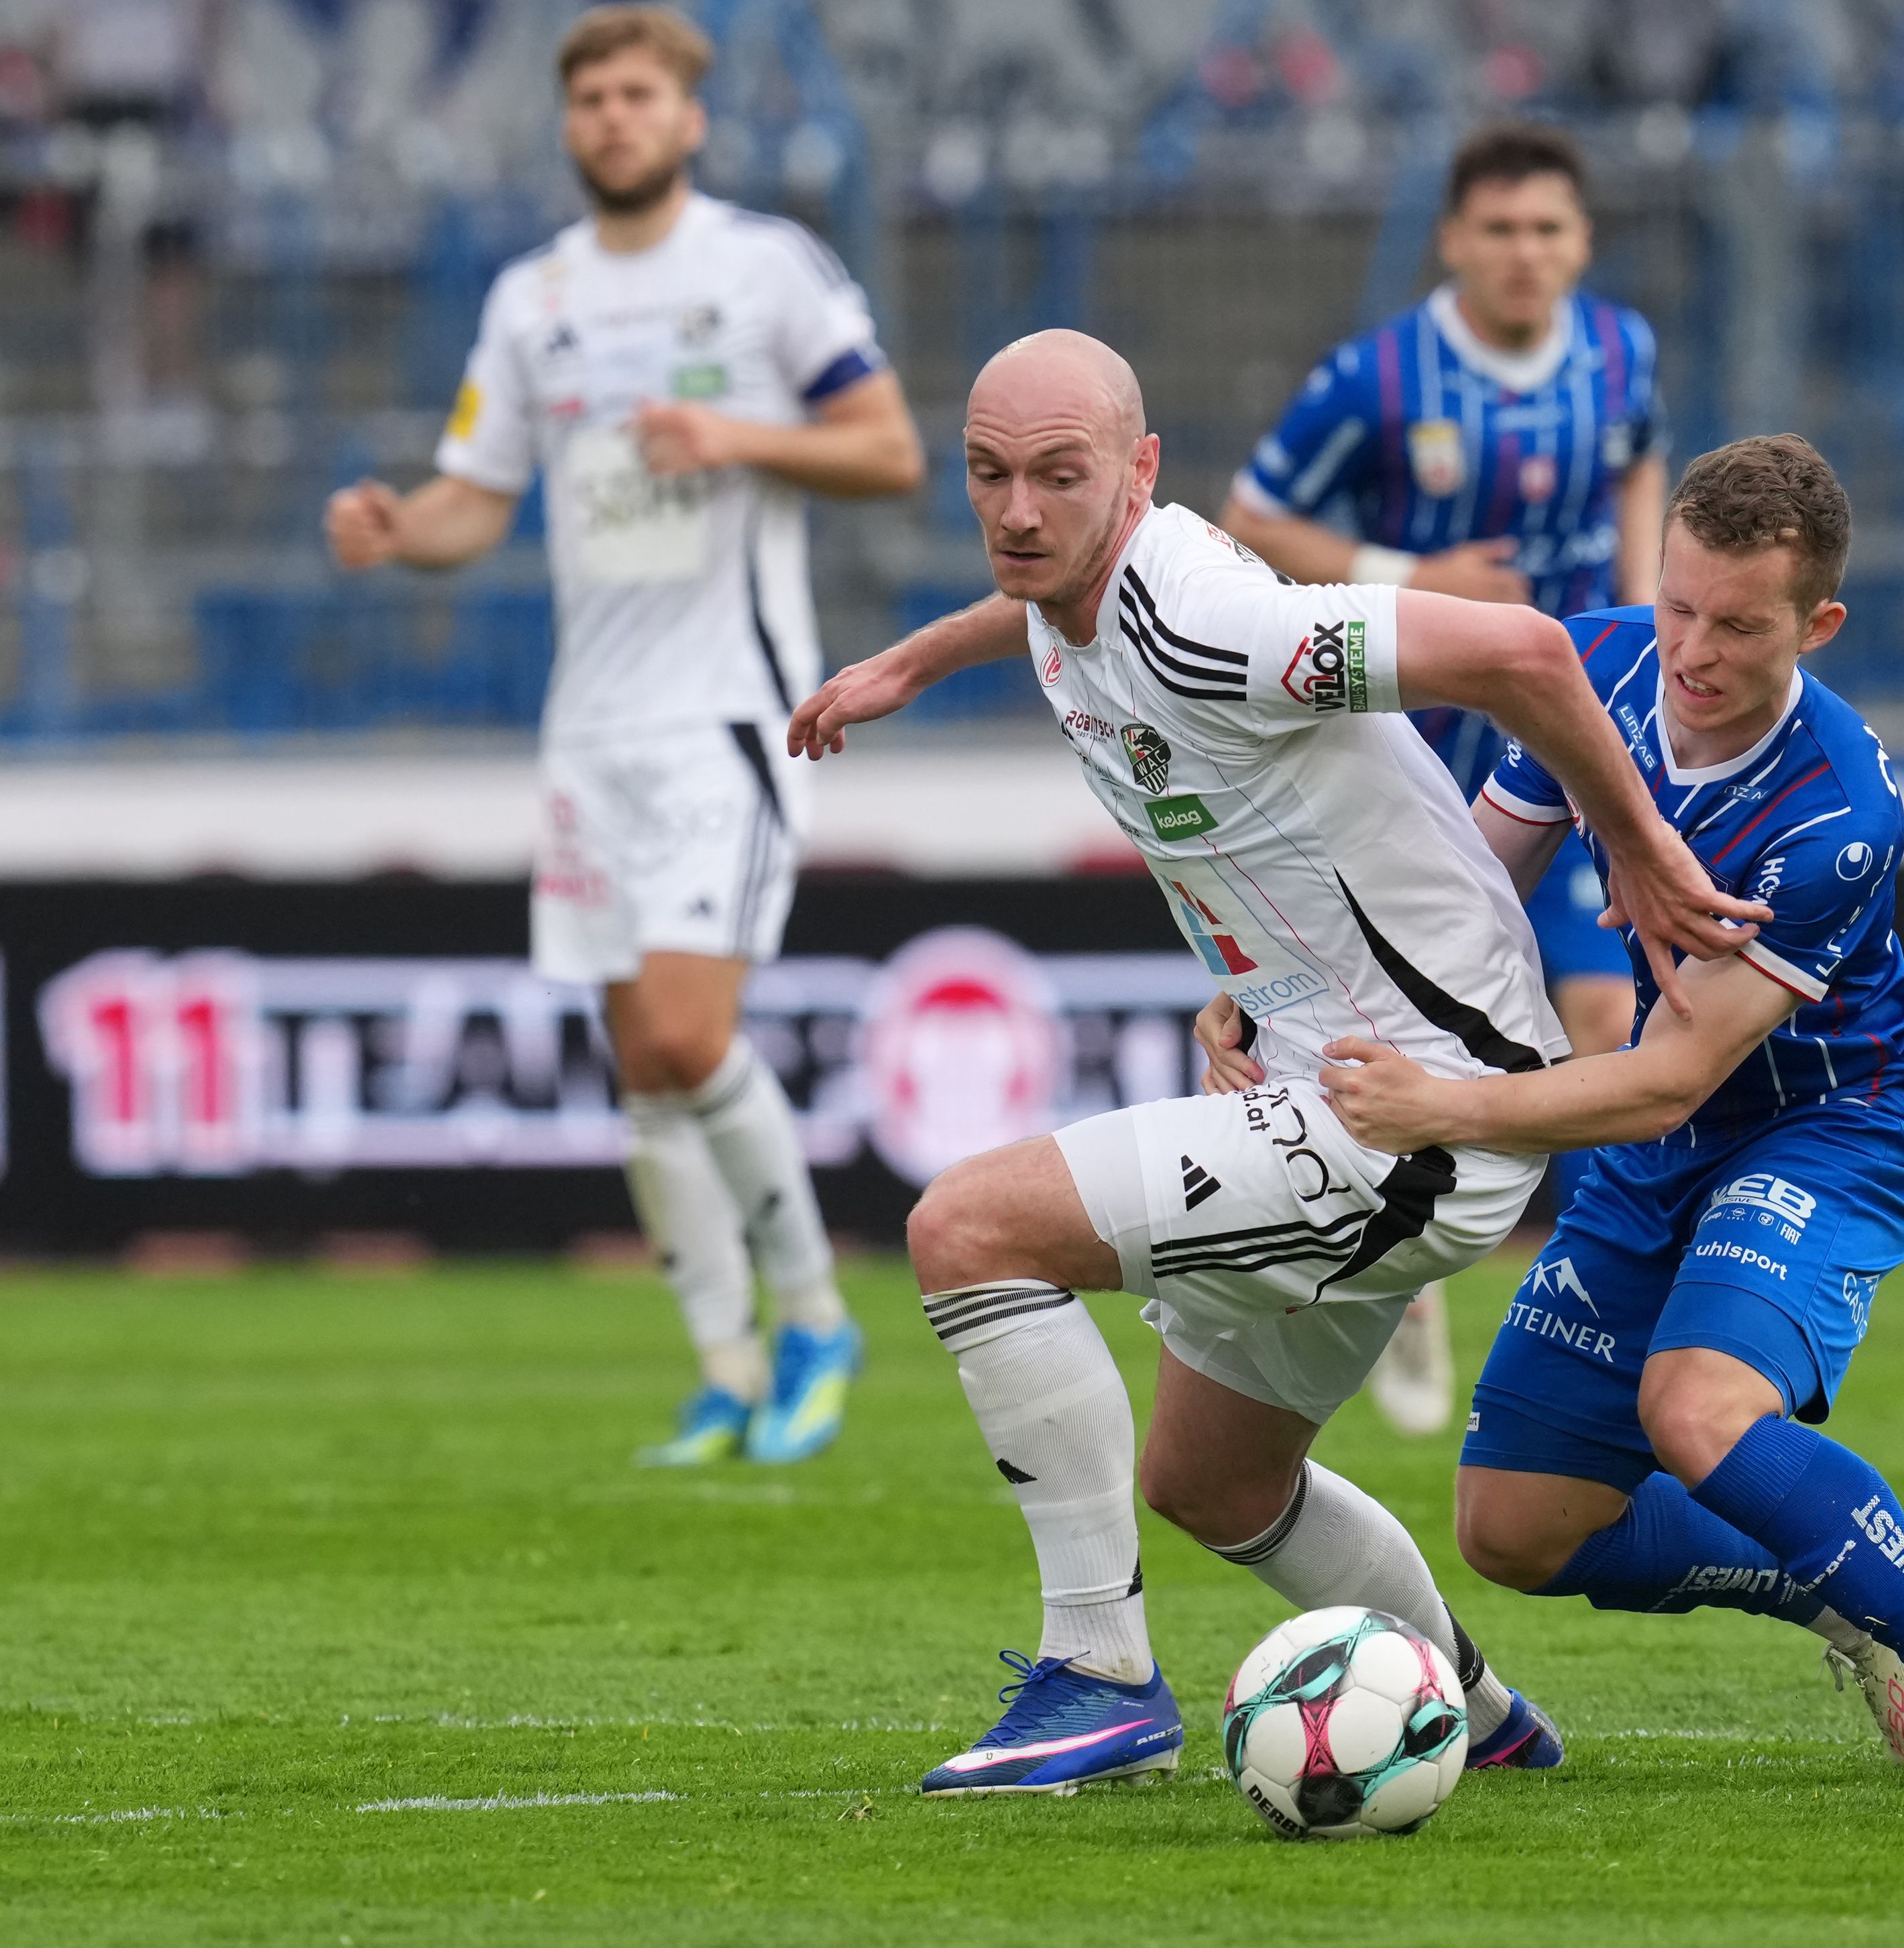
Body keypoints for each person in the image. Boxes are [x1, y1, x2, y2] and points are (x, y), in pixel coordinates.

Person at [787, 328, 1767, 1796]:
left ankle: (1098, 1679)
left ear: (1140, 473)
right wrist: (909, 662)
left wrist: (1633, 843)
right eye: (989, 476)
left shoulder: (1205, 618)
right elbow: (1038, 608)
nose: (1017, 512)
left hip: (1415, 1109)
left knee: (966, 1229)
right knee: (1213, 1483)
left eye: (1060, 476)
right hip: (1326, 1069)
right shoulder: (1075, 582)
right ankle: (1474, 1712)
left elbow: (1522, 651)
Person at [1290, 435, 1904, 1792]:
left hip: (1825, 1127)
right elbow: (1468, 893)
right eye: (1676, 606)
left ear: (1816, 624)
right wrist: (1295, 1003)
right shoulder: (1597, 662)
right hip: (1656, 1140)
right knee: (1512, 1529)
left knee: (1694, 1410)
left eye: (1735, 625)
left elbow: (1672, 1070)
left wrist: (1445, 1104)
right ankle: (1836, 1586)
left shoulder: (1833, 812)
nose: (1690, 651)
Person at [323, 5, 924, 1467]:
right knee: (638, 1062)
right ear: (569, 119)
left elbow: (891, 447)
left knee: (683, 1029)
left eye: (638, 93)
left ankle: (817, 1318)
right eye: (590, 96)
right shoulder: (536, 300)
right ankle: (723, 1365)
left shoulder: (763, 269)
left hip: (725, 707)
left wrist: (741, 439)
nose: (613, 116)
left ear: (688, 116)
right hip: (588, 726)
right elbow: (480, 494)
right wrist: (403, 528)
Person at [1221, 121, 1661, 1436]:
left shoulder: (1622, 350)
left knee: (1600, 1023)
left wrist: (1636, 616)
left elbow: (1638, 460)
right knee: (1388, 1036)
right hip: (1415, 752)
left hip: (1571, 737)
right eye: (1500, 231)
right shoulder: (1378, 380)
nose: (1525, 255)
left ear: (1579, 242)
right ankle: (1396, 1277)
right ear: (1453, 242)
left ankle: (1585, 1322)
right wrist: (1406, 583)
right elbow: (1250, 517)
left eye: (1548, 231)